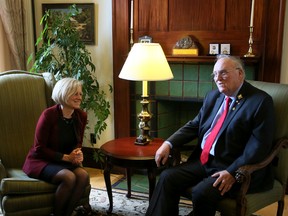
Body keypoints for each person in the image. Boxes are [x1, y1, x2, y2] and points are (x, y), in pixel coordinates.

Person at [145, 55, 276, 216]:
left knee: (202, 193)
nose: (218, 78)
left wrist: (233, 172)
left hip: (234, 167)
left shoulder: (260, 102)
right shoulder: (213, 97)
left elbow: (259, 146)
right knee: (167, 177)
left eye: (223, 73)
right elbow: (195, 125)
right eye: (215, 74)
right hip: (205, 160)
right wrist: (168, 143)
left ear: (240, 73)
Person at [23, 77, 92, 216]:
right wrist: (67, 158)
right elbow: (39, 148)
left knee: (83, 175)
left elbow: (78, 141)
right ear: (64, 94)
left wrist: (78, 153)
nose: (79, 97)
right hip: (41, 160)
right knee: (69, 177)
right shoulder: (48, 115)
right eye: (75, 94)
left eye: (80, 94)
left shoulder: (81, 116)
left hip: (64, 160)